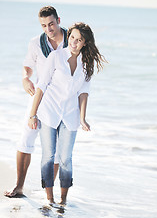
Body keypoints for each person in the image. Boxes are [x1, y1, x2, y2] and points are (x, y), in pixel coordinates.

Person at [27, 22, 105, 206]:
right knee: (48, 155)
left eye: (79, 40)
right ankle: (49, 198)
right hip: (49, 112)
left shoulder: (87, 63)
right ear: (68, 37)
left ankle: (63, 200)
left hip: (70, 116)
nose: (74, 43)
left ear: (85, 43)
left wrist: (82, 118)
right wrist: (33, 114)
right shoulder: (55, 57)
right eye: (72, 38)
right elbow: (41, 86)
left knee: (66, 158)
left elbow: (84, 92)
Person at [4, 6, 68, 197]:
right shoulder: (35, 43)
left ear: (58, 20)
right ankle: (19, 186)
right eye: (43, 25)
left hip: (62, 103)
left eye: (51, 24)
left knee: (56, 151)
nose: (48, 29)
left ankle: (48, 194)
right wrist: (25, 78)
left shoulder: (71, 40)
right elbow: (27, 66)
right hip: (38, 100)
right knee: (25, 141)